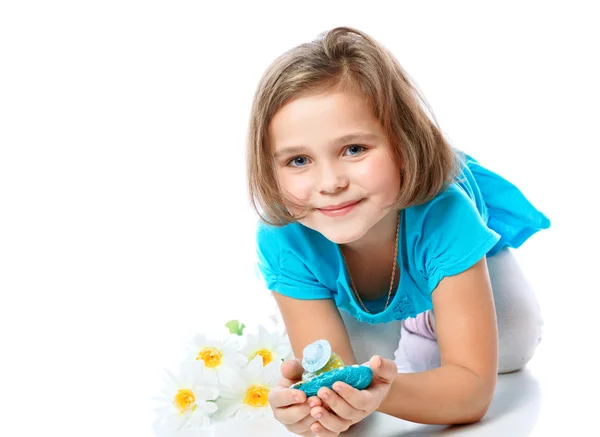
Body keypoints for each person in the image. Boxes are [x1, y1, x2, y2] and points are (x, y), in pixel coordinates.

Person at [246, 26, 550, 437]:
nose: (330, 182)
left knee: (511, 343)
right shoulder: (284, 239)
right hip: (376, 277)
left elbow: (473, 393)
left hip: (441, 240)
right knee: (358, 365)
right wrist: (320, 407)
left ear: (403, 143)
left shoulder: (447, 214)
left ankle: (431, 317)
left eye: (354, 149)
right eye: (298, 160)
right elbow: (337, 390)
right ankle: (421, 323)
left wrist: (381, 392)